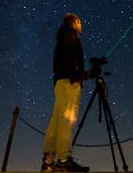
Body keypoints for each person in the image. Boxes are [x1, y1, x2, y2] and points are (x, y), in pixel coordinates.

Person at [41, 13, 90, 172]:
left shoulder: (62, 36)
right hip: (68, 82)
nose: (81, 25)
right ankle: (63, 159)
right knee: (67, 119)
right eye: (80, 22)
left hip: (62, 82)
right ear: (74, 22)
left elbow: (66, 60)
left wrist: (85, 74)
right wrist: (76, 76)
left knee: (56, 120)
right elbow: (70, 58)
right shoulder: (70, 34)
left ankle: (48, 161)